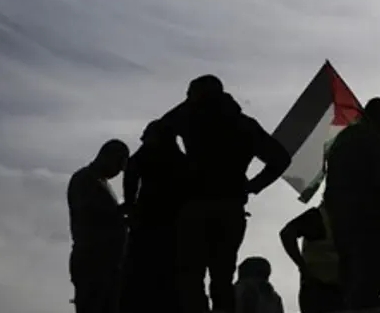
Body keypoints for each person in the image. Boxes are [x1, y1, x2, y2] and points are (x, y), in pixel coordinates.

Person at [160, 74, 292, 313]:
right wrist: (253, 185)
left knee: (191, 276)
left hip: (197, 206)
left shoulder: (190, 117)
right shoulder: (243, 124)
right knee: (221, 279)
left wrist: (179, 165)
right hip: (229, 208)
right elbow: (281, 158)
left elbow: (159, 130)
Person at [324, 97, 380, 310]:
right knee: (365, 291)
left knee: (352, 287)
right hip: (370, 226)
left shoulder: (345, 139)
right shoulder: (375, 141)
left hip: (344, 225)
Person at [119, 120, 187, 313]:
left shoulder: (146, 156)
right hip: (168, 229)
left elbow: (131, 173)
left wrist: (131, 207)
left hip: (152, 226)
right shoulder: (181, 161)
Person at [67, 139, 130, 313]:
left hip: (107, 263)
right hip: (93, 261)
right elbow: (90, 213)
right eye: (118, 165)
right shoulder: (84, 179)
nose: (118, 171)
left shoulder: (101, 183)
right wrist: (120, 214)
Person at [280, 202, 344, 313]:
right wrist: (303, 267)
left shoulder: (345, 219)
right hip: (318, 287)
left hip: (338, 288)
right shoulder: (317, 216)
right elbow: (286, 233)